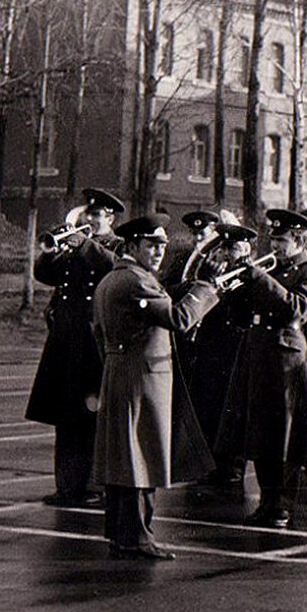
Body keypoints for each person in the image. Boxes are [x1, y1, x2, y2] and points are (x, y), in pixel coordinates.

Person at [92, 214, 220, 559]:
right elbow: (179, 319)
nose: (160, 252)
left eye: (162, 245)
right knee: (140, 459)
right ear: (133, 246)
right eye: (152, 245)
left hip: (121, 372)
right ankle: (139, 536)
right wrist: (207, 288)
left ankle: (121, 534)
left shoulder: (114, 279)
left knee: (123, 459)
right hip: (143, 378)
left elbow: (99, 332)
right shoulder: (136, 281)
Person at [219, 209, 307, 529]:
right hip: (257, 353)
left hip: (286, 359)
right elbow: (240, 315)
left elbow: (297, 309)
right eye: (274, 240)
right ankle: (267, 500)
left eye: (281, 241)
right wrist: (233, 288)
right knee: (261, 432)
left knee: (287, 433)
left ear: (298, 240)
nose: (275, 247)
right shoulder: (272, 270)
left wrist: (259, 278)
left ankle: (282, 504)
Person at [26, 188, 124, 508]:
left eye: (96, 216)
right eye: (88, 215)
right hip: (66, 339)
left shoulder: (115, 245)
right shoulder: (76, 245)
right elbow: (44, 274)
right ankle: (66, 485)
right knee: (65, 416)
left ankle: (94, 485)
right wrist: (53, 249)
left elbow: (117, 268)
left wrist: (85, 245)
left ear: (109, 218)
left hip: (94, 340)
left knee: (92, 417)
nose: (90, 220)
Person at [186, 222, 257, 485]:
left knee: (233, 407)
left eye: (235, 248)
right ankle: (208, 463)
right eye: (225, 248)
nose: (228, 254)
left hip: (235, 346)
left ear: (246, 249)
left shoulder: (252, 274)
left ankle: (232, 465)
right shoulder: (211, 270)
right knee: (207, 405)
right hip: (210, 346)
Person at [159, 210, 221, 291]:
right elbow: (167, 286)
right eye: (194, 234)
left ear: (212, 233)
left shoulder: (219, 257)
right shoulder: (183, 257)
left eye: (202, 233)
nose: (197, 238)